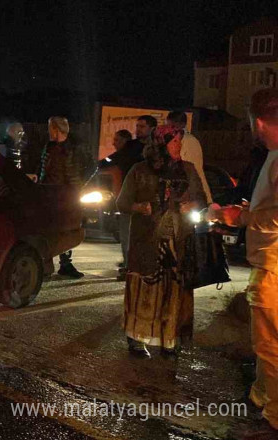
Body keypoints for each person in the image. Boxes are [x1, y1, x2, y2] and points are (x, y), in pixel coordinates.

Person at [210, 88, 278, 429]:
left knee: (269, 346)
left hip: (274, 267)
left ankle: (273, 417)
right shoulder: (271, 155)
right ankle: (260, 397)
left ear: (261, 121)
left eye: (252, 122)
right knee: (266, 344)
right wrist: (248, 211)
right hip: (267, 262)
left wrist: (242, 218)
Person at [116, 125, 206, 358]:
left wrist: (192, 206)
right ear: (160, 145)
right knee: (145, 291)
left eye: (179, 142)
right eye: (174, 142)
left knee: (173, 290)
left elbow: (201, 199)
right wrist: (140, 207)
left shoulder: (187, 170)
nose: (179, 146)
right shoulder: (140, 170)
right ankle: (137, 339)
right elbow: (121, 203)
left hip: (179, 242)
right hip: (147, 242)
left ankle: (170, 339)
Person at [38, 116, 92, 278]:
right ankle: (46, 264)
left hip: (67, 195)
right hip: (49, 194)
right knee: (48, 229)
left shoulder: (75, 147)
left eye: (50, 128)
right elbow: (42, 167)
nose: (48, 131)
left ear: (57, 129)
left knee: (66, 230)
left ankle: (65, 264)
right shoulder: (49, 146)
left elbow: (90, 167)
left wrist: (79, 185)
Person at [98, 129, 137, 280]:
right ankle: (128, 261)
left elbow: (108, 161)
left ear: (124, 141)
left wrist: (96, 164)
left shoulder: (124, 155)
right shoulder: (130, 154)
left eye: (117, 140)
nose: (113, 143)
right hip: (125, 198)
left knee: (127, 233)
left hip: (128, 199)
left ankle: (129, 265)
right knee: (126, 232)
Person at [168, 111, 212, 203]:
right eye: (169, 127)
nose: (171, 130)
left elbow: (193, 170)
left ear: (182, 124)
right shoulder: (173, 140)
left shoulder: (189, 141)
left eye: (174, 126)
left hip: (190, 193)